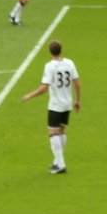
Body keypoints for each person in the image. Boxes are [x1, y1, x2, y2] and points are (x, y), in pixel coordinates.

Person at [21, 40, 81, 174]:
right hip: (67, 104)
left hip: (55, 105)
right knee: (61, 131)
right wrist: (77, 100)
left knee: (53, 133)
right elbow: (77, 83)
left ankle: (61, 165)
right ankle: (56, 161)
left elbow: (44, 88)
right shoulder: (70, 63)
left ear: (50, 51)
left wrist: (30, 95)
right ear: (61, 50)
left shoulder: (49, 66)